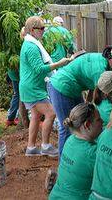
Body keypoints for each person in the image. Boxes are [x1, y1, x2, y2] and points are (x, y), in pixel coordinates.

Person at [48, 45, 112, 156]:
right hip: (61, 87)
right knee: (69, 127)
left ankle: (78, 156)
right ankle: (64, 164)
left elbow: (94, 89)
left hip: (73, 88)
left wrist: (88, 104)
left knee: (81, 122)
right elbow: (101, 96)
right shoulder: (100, 70)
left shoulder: (104, 63)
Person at [19, 16, 72, 157]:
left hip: (31, 87)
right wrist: (59, 63)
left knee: (36, 116)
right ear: (32, 30)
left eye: (44, 28)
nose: (44, 31)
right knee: (51, 113)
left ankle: (31, 148)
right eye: (41, 28)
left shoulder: (31, 43)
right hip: (32, 89)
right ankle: (46, 146)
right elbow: (39, 69)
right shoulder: (31, 46)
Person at [49, 103, 102, 200]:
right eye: (98, 120)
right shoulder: (93, 153)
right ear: (87, 125)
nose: (102, 122)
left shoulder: (70, 140)